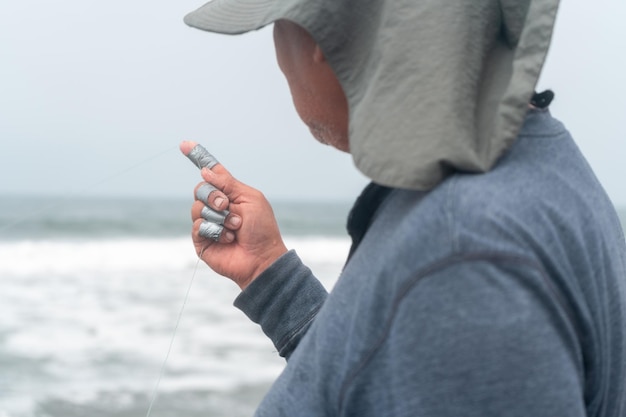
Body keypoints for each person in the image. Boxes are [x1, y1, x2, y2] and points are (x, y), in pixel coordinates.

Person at [180, 0, 626, 416]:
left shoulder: (462, 252)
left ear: (318, 38)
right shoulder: (518, 174)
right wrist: (269, 276)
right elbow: (394, 379)